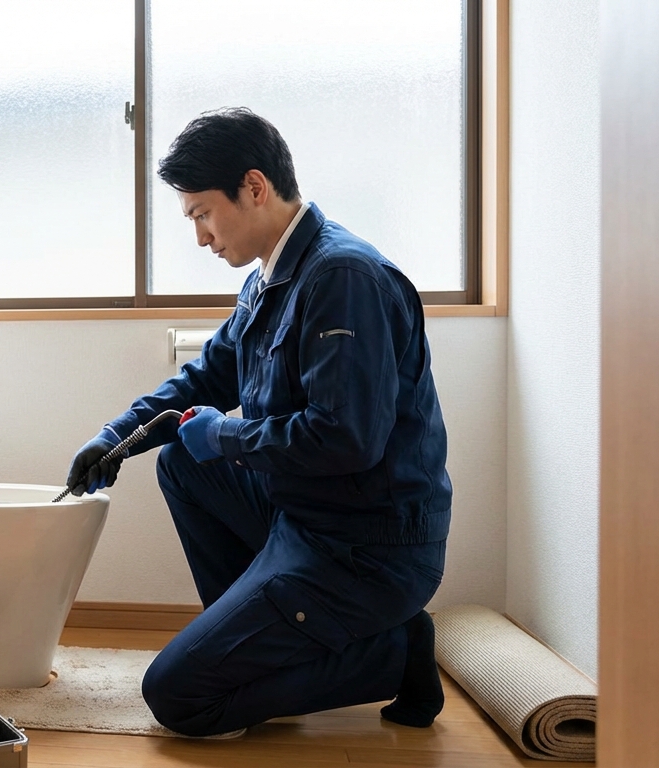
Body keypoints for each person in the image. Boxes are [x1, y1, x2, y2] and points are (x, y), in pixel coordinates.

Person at [65, 107, 451, 737]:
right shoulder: (273, 276)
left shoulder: (343, 278)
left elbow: (345, 438)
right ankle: (258, 653)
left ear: (253, 187)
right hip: (304, 515)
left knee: (178, 697)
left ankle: (397, 651)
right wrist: (116, 438)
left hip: (366, 548)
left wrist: (223, 433)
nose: (199, 236)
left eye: (201, 214)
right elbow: (204, 379)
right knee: (182, 459)